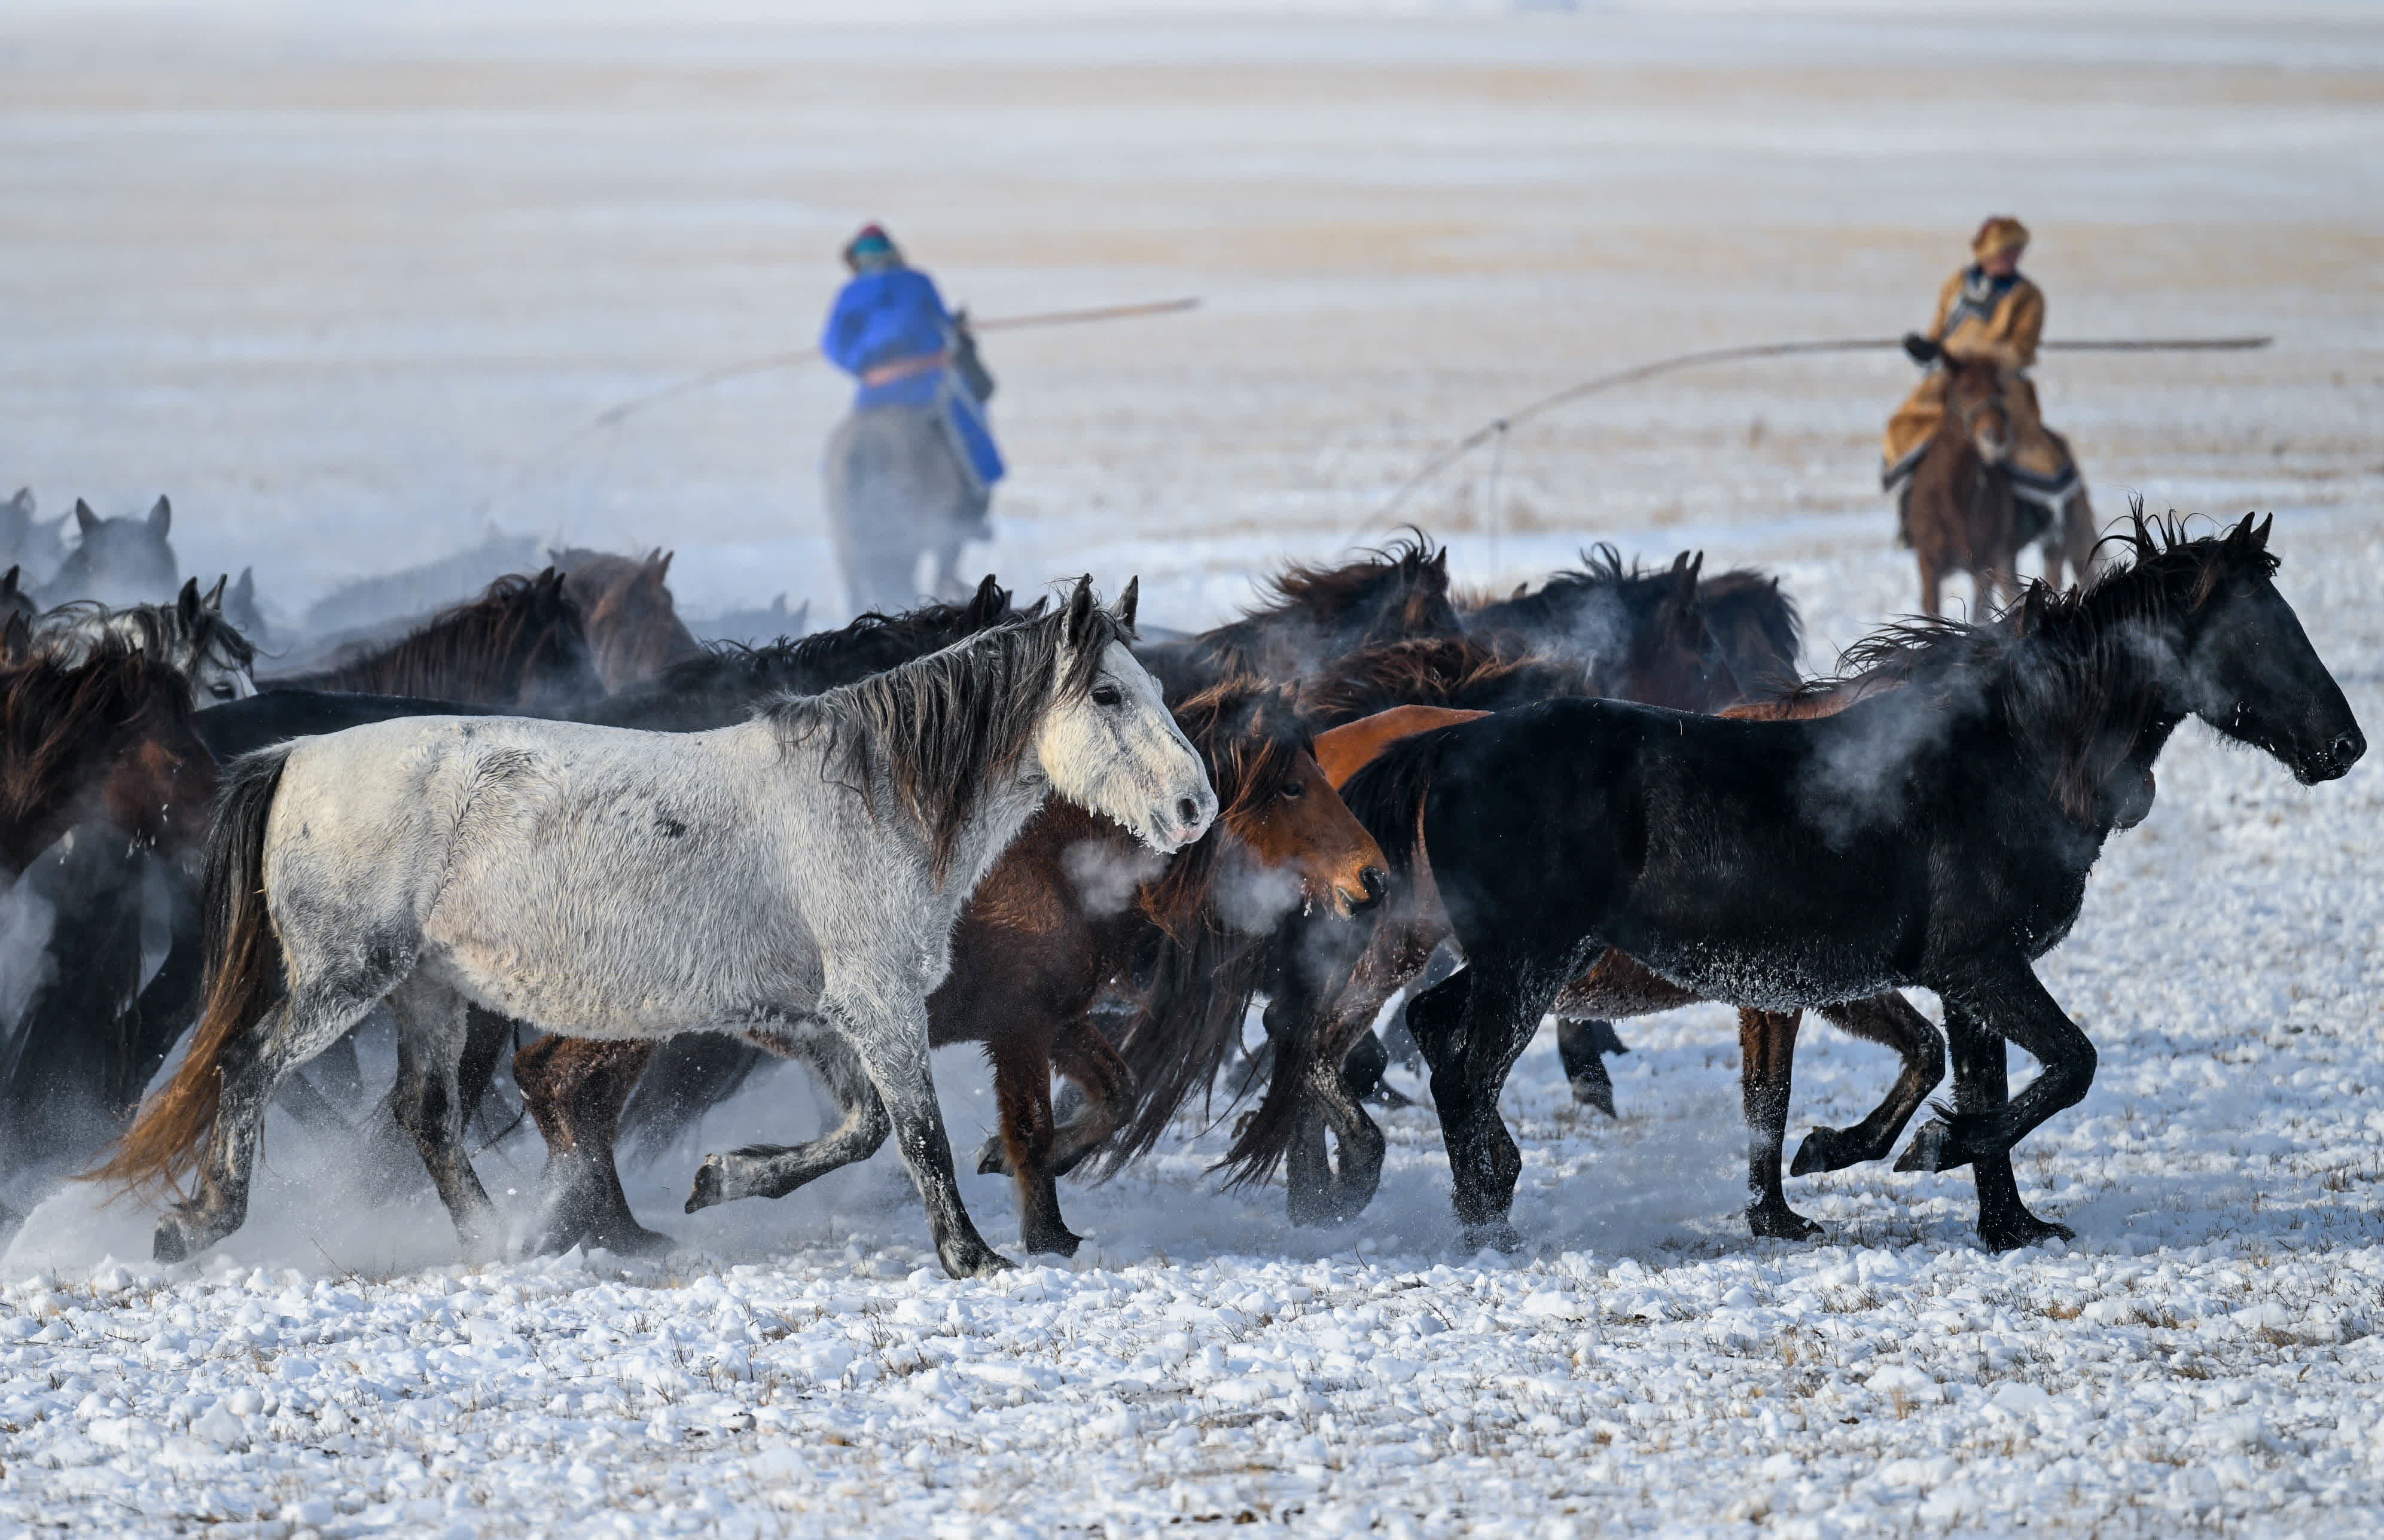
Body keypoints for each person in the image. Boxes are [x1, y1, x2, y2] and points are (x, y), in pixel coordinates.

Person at [818, 224, 1004, 610]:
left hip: (873, 396)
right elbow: (941, 327)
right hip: (925, 387)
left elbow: (834, 346)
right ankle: (971, 515)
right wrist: (954, 331)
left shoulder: (849, 294)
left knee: (833, 459)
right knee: (973, 434)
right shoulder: (917, 282)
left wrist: (864, 365)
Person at [1882, 216, 2082, 536]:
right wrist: (1927, 351)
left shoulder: (2028, 296)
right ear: (1986, 252)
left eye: (2017, 251)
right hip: (1951, 378)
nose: (2013, 257)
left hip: (1999, 380)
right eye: (2006, 250)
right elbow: (1939, 332)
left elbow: (2022, 351)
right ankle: (1912, 512)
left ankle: (2042, 518)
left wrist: (1976, 356)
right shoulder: (1957, 285)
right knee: (1905, 429)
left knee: (2026, 445)